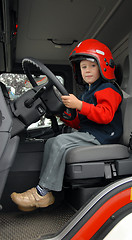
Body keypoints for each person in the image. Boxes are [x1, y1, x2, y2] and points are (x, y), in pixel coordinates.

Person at [11, 39, 123, 211]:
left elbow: (105, 116)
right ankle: (47, 191)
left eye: (92, 66)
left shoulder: (108, 89)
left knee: (60, 142)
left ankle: (42, 192)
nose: (87, 71)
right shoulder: (88, 93)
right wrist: (62, 114)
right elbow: (82, 123)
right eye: (83, 67)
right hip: (91, 134)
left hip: (104, 136)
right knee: (51, 141)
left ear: (103, 66)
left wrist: (79, 105)